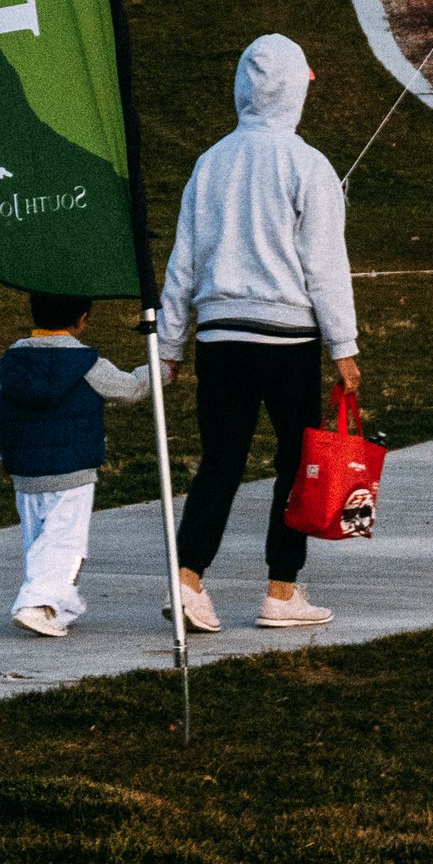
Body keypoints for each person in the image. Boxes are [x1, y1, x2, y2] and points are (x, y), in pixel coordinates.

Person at [159, 34, 361, 635]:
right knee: (297, 466)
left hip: (219, 340)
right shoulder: (309, 165)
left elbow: (183, 262)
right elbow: (325, 265)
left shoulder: (210, 162)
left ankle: (189, 579)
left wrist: (168, 344)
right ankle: (281, 590)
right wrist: (344, 346)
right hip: (288, 343)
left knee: (219, 461)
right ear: (297, 88)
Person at [0, 293, 151, 638]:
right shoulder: (87, 364)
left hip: (26, 468)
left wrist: (0, 452)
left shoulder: (12, 362)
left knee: (40, 540)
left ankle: (61, 604)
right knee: (65, 542)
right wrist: (159, 370)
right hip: (72, 468)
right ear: (81, 319)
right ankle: (36, 604)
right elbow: (131, 389)